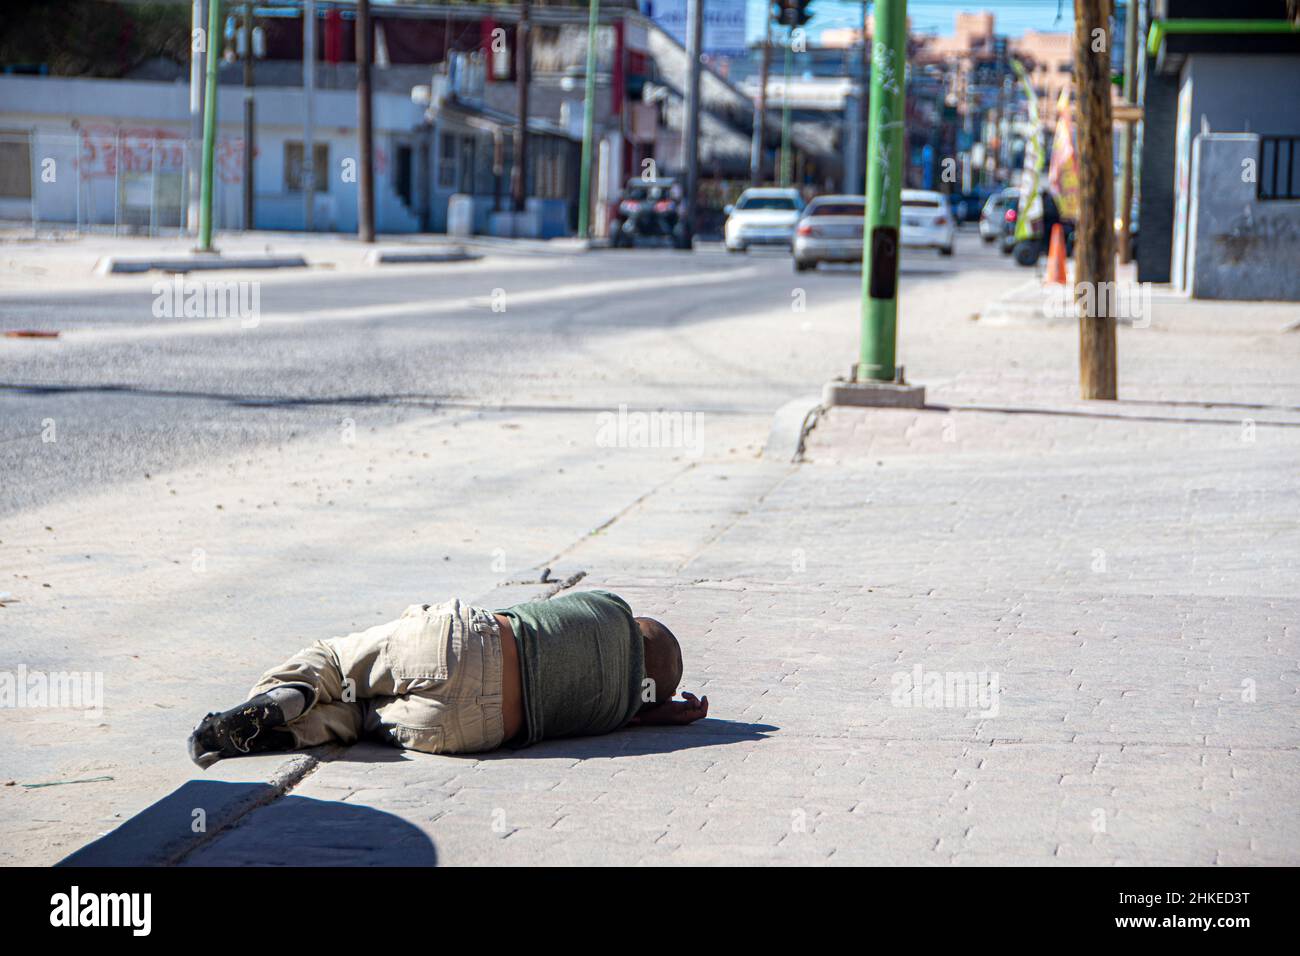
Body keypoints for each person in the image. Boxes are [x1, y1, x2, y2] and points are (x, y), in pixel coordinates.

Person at [188, 590, 708, 767]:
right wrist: (656, 711)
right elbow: (640, 703)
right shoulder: (616, 713)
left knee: (337, 663)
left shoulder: (610, 610)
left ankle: (286, 696)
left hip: (460, 644)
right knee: (360, 719)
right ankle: (293, 734)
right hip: (471, 730)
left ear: (636, 628)